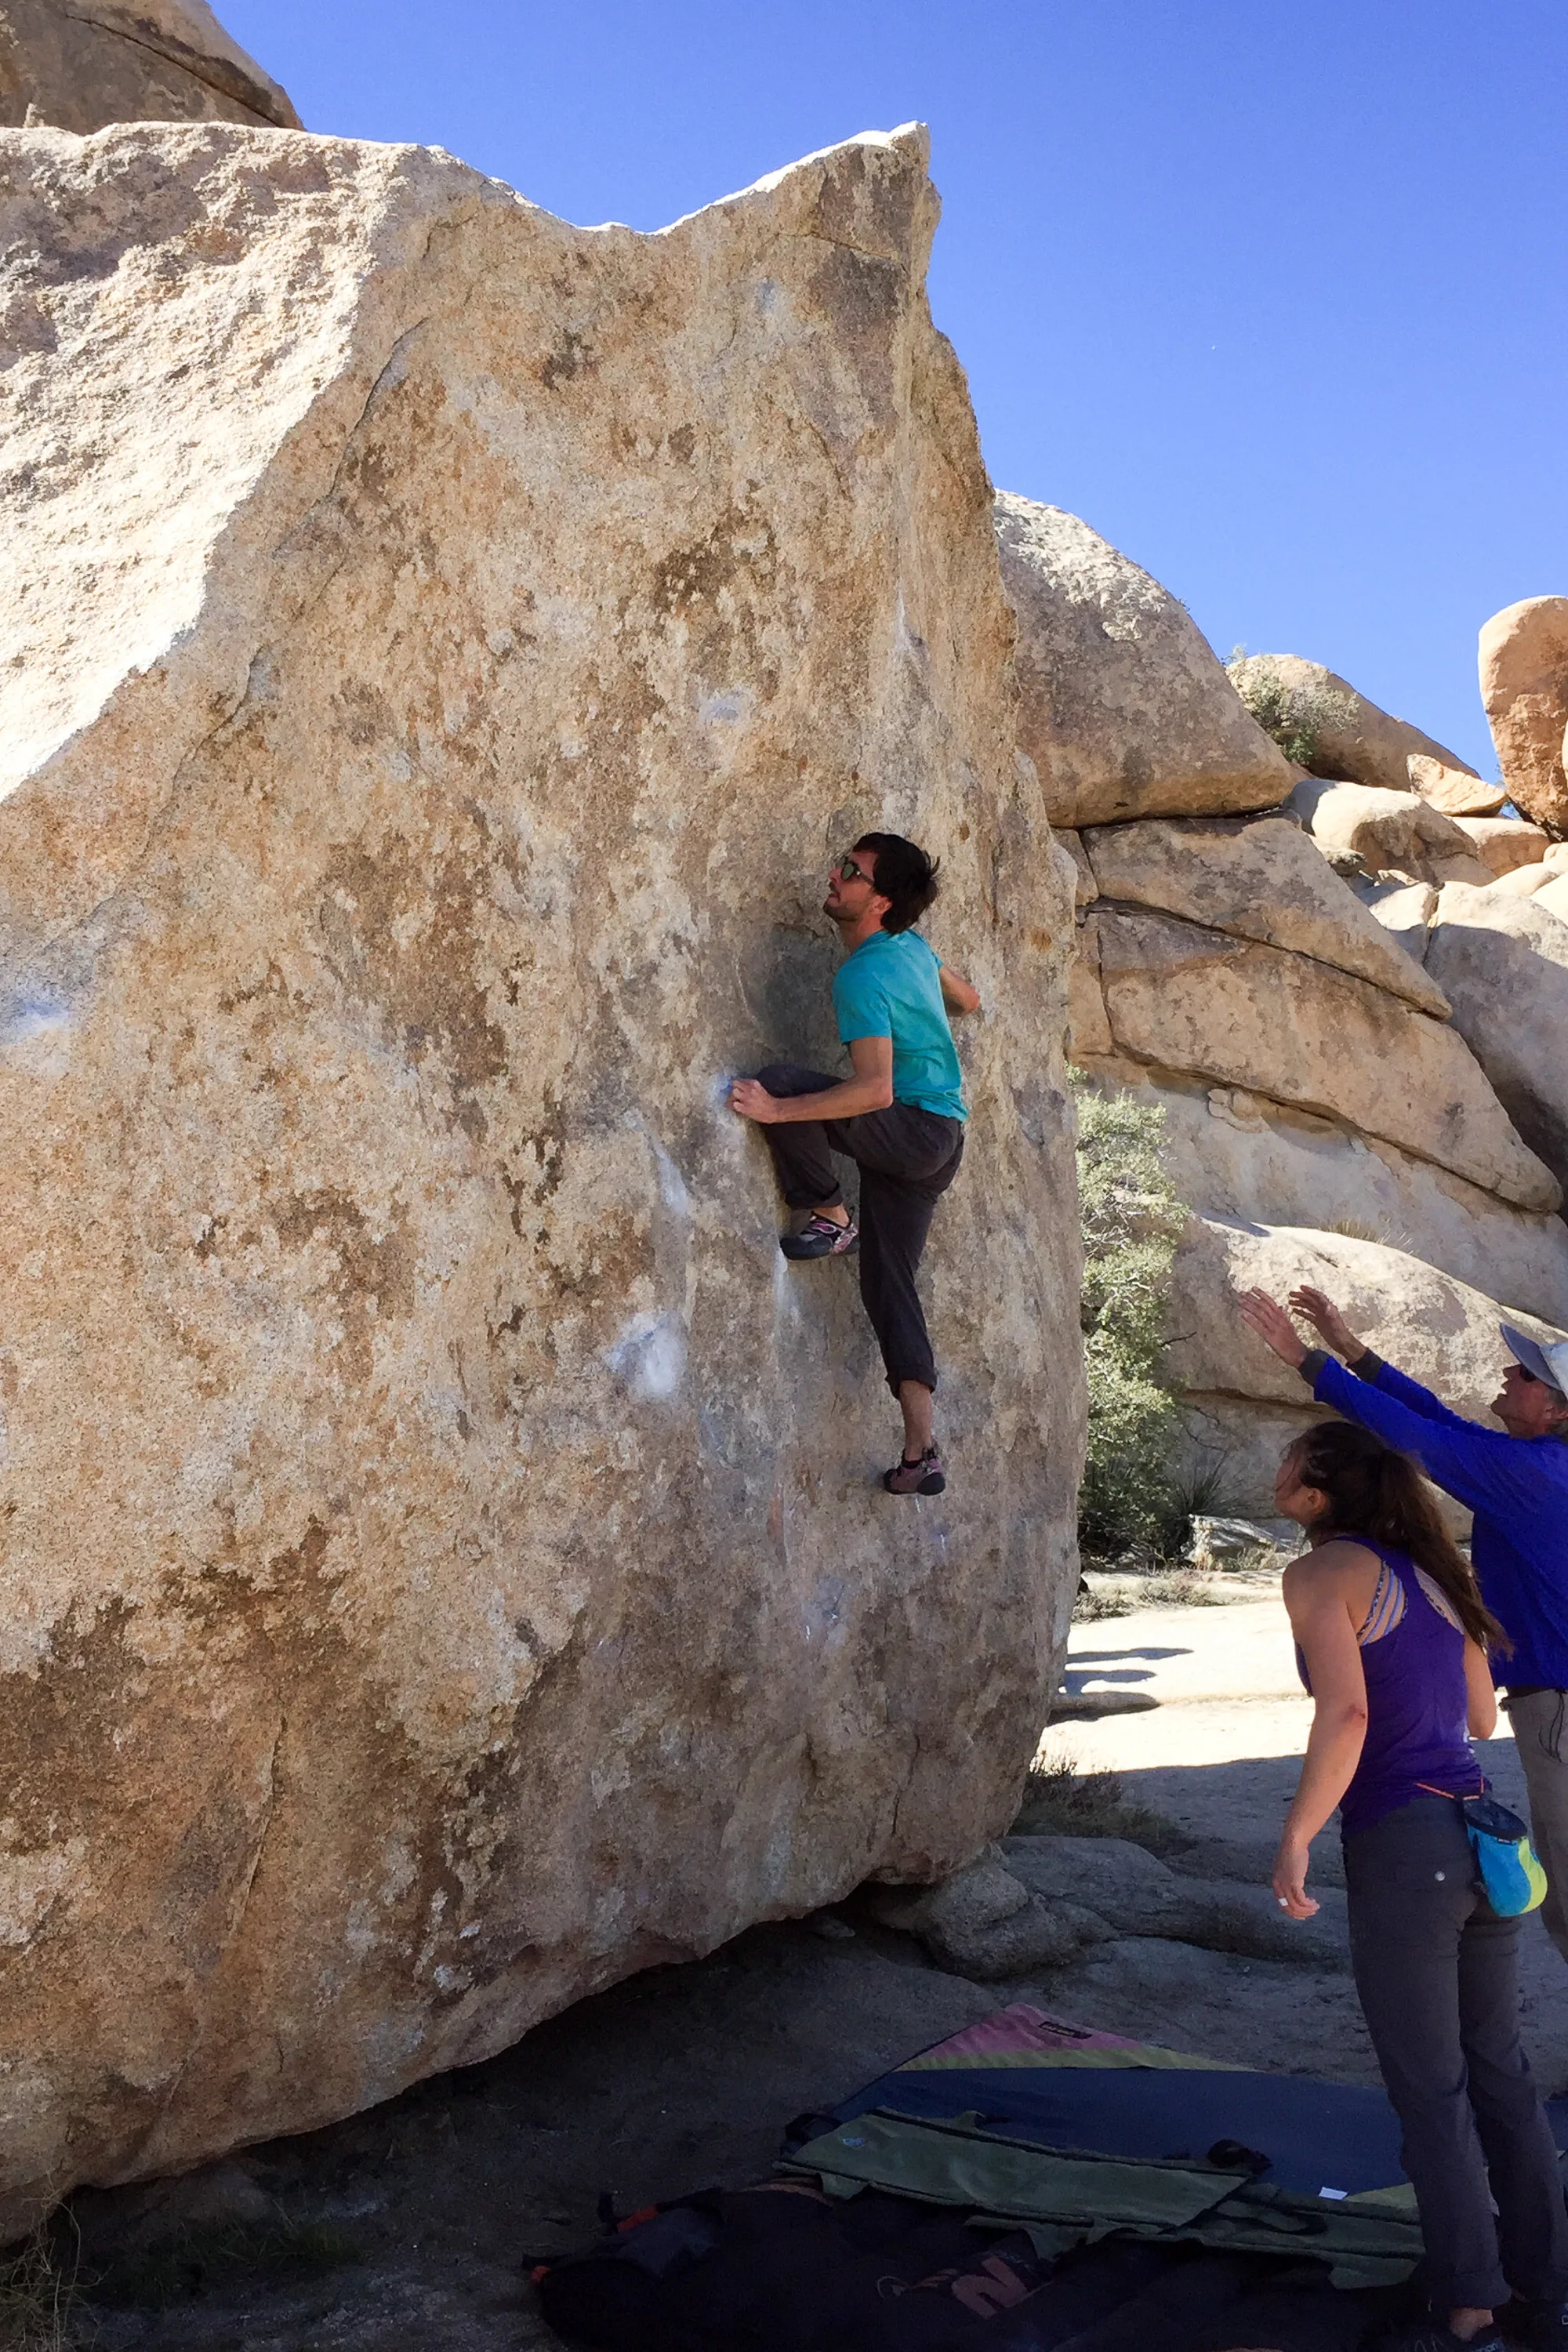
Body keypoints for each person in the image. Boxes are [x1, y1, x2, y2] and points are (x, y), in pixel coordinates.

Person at [1263, 1414, 1568, 2350]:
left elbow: (1346, 1713)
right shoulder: (1436, 1577)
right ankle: (1543, 2291)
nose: (1273, 1472)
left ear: (1315, 1493)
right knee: (1498, 2073)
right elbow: (1478, 1716)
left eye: (1286, 1464)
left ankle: (1467, 2308)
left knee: (1429, 2088)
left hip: (1403, 1844)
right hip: (1480, 1842)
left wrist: (1296, 1836)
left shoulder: (1317, 1574)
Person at [1240, 1282, 1568, 1973]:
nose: (1510, 1375)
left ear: (1555, 1409)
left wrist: (1304, 1359)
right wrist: (1352, 1351)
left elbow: (1422, 1441)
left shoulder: (1531, 1475)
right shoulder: (1541, 1464)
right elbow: (1438, 1422)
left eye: (1526, 1375)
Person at [730, 833, 978, 1495]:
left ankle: (831, 1214)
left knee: (783, 1084)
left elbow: (874, 1091)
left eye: (852, 872)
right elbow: (971, 998)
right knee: (889, 1288)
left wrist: (773, 1112)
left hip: (907, 1127)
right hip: (941, 1141)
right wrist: (934, 992)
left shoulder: (864, 974)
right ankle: (920, 1449)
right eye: (842, 864)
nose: (835, 876)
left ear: (882, 901)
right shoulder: (913, 948)